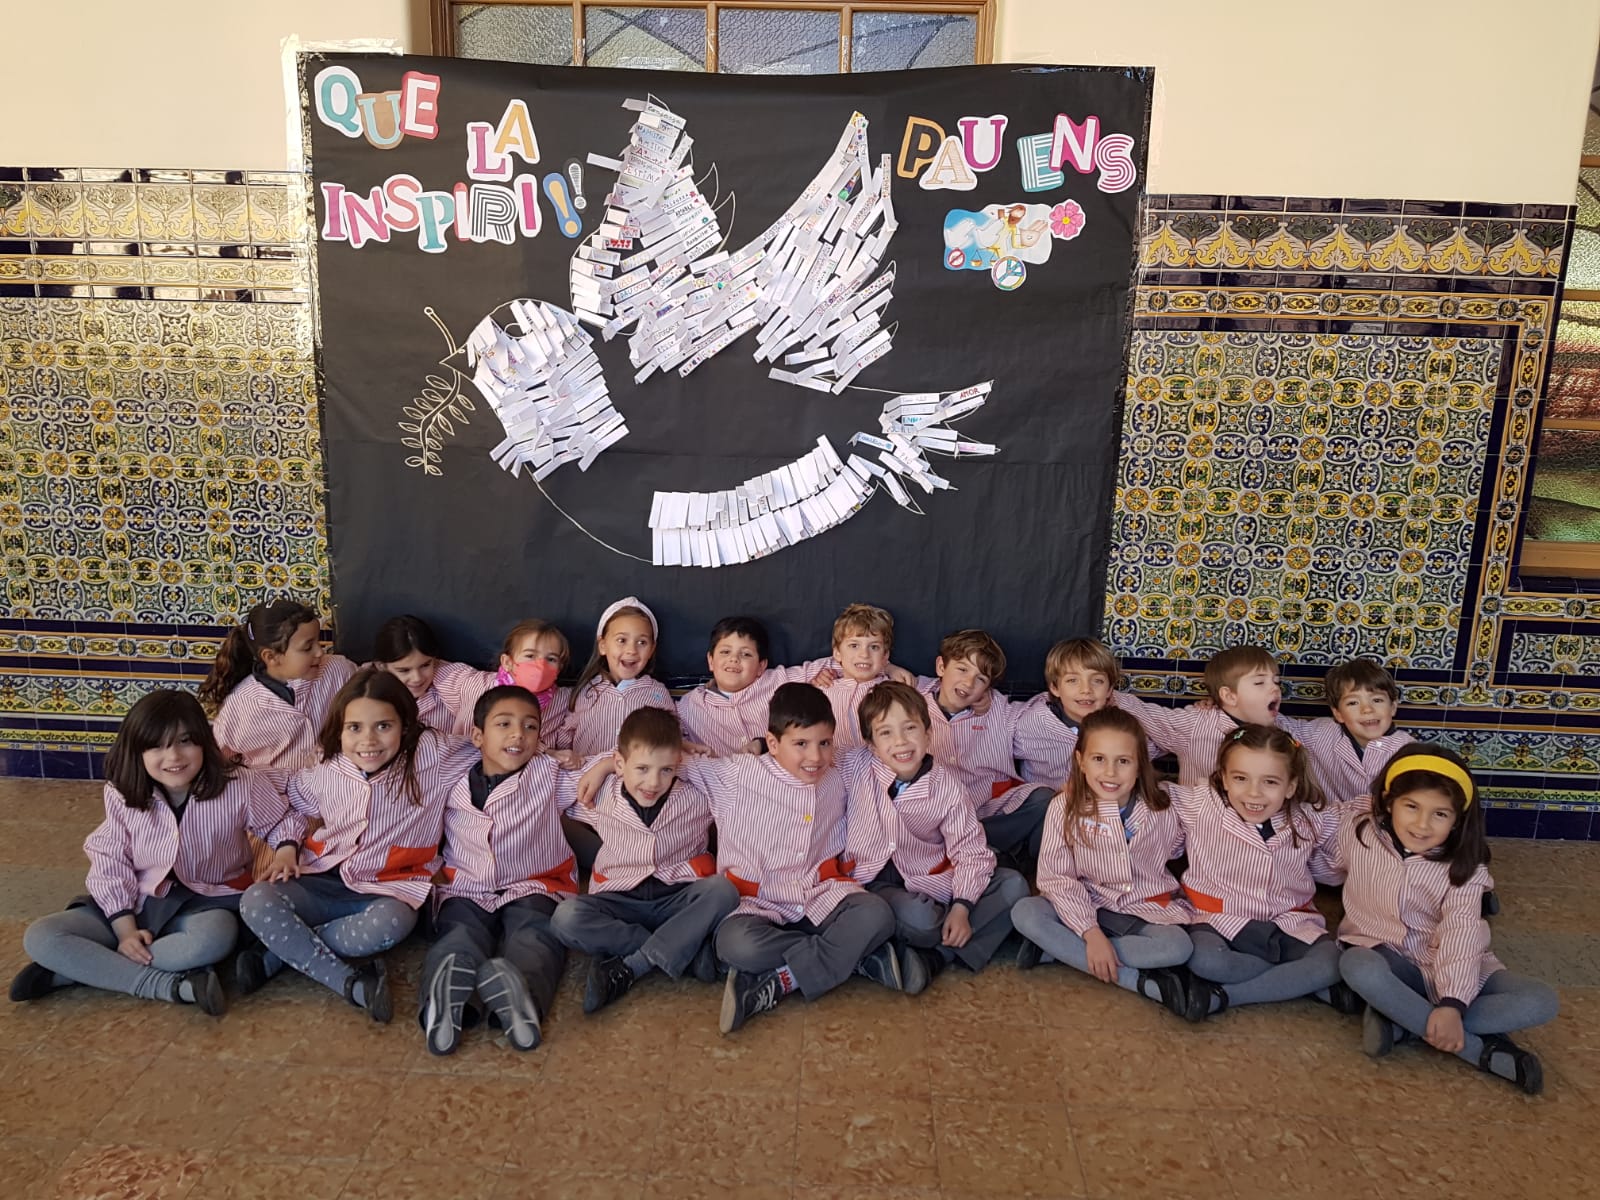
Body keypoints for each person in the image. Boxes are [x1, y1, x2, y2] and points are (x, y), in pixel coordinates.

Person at [11, 690, 299, 1014]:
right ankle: (169, 986)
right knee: (41, 936)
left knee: (215, 938)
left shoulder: (239, 784)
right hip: (138, 900)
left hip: (207, 901)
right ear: (137, 751)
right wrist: (125, 931)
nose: (173, 756)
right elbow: (110, 859)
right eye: (157, 746)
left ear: (204, 742)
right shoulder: (122, 793)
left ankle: (78, 970)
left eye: (185, 741)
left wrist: (285, 852)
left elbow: (282, 821)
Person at [237, 668, 475, 1021]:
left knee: (393, 924)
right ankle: (349, 982)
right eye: (355, 728)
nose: (369, 740)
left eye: (383, 726)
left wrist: (554, 756)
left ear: (405, 726)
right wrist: (286, 847)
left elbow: (491, 748)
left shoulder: (434, 754)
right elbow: (295, 802)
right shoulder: (329, 765)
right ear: (340, 729)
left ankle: (282, 952)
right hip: (322, 878)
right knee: (256, 899)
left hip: (388, 888)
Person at [1337, 744, 1557, 1093]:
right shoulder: (1358, 830)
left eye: (1440, 814)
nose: (1422, 824)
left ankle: (1403, 1020)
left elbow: (1462, 932)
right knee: (1356, 966)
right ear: (1389, 802)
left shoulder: (1467, 870)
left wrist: (1453, 1003)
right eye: (1411, 806)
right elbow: (1308, 839)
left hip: (1450, 965)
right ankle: (1479, 1052)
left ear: (1457, 820)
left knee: (1541, 1000)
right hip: (1382, 955)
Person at [419, 685, 582, 1054]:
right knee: (458, 935)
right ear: (478, 736)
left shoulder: (550, 774)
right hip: (466, 885)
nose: (518, 735)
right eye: (504, 724)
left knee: (535, 935)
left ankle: (520, 996)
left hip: (534, 883)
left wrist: (601, 764)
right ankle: (444, 1003)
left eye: (530, 726)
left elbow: (605, 773)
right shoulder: (452, 778)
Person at [842, 682, 1027, 993]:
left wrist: (962, 906)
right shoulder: (853, 765)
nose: (901, 742)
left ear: (928, 733)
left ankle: (934, 958)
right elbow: (809, 757)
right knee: (924, 921)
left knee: (1014, 886)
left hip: (928, 878)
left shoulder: (947, 785)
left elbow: (970, 850)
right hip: (875, 883)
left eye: (910, 728)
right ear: (871, 745)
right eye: (885, 733)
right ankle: (931, 948)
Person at [1010, 707, 1194, 1016]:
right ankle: (1142, 984)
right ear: (1081, 761)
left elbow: (1195, 835)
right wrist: (1090, 933)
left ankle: (1059, 951)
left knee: (1178, 947)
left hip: (1142, 909)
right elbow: (1056, 879)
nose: (1110, 773)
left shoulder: (1165, 805)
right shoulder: (1064, 807)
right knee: (1026, 912)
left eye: (1123, 761)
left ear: (1140, 765)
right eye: (1098, 759)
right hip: (1086, 902)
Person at [552, 707, 737, 1013]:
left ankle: (636, 963)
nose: (653, 782)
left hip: (678, 896)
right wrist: (603, 765)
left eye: (666, 770)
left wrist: (686, 752)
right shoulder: (600, 790)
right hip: (620, 899)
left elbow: (735, 772)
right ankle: (683, 949)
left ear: (678, 764)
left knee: (724, 891)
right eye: (642, 769)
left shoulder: (697, 792)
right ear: (620, 764)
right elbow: (544, 774)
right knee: (565, 917)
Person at [1173, 724, 1354, 1020]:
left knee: (1333, 962)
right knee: (1207, 962)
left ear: (1291, 786)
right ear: (1224, 779)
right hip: (1219, 918)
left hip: (1287, 920)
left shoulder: (1309, 818)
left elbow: (1356, 820)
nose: (1254, 793)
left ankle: (1225, 997)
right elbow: (1149, 796)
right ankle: (1298, 982)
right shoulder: (1201, 804)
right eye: (1240, 778)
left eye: (1270, 782)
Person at [202, 599, 357, 781]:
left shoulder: (339, 671)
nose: (319, 652)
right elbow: (219, 763)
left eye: (318, 642)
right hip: (272, 794)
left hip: (333, 788)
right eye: (307, 647)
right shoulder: (240, 705)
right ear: (271, 657)